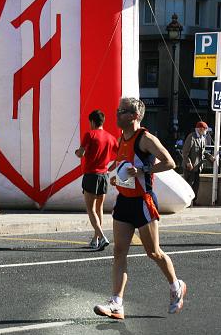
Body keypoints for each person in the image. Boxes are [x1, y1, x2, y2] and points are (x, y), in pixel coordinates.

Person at [93, 97, 187, 320]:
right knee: (118, 253)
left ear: (134, 116)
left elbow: (170, 162)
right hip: (124, 201)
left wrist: (143, 169)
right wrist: (116, 178)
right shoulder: (122, 138)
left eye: (122, 111)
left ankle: (176, 286)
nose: (117, 114)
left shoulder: (145, 138)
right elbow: (123, 167)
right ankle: (117, 303)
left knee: (153, 252)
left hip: (143, 202)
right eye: (117, 110)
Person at [74, 109, 118, 250]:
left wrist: (77, 152)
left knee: (90, 209)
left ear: (92, 122)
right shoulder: (111, 138)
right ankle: (95, 239)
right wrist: (110, 168)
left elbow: (81, 153)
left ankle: (102, 236)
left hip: (91, 175)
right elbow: (120, 156)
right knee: (99, 208)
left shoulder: (90, 134)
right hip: (104, 175)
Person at [182, 121, 214, 205]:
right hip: (190, 167)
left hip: (198, 167)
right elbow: (185, 152)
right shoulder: (191, 137)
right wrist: (188, 163)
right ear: (200, 129)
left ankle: (194, 201)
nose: (206, 131)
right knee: (189, 184)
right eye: (205, 129)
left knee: (196, 185)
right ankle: (187, 202)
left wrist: (209, 156)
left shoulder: (202, 138)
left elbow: (203, 152)